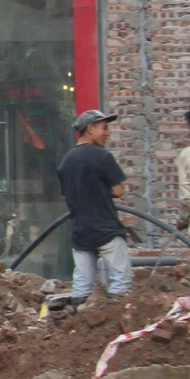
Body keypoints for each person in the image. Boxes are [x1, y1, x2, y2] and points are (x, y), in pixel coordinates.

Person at [58, 109, 132, 301]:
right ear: (90, 129)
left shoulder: (66, 161)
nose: (107, 133)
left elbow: (69, 192)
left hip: (80, 230)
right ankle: (118, 322)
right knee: (121, 281)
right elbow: (118, 191)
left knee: (82, 284)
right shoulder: (102, 157)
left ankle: (78, 320)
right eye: (104, 128)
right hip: (105, 227)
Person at [177, 107, 190, 243]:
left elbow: (187, 197)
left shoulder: (188, 155)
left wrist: (183, 220)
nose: (189, 133)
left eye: (189, 127)